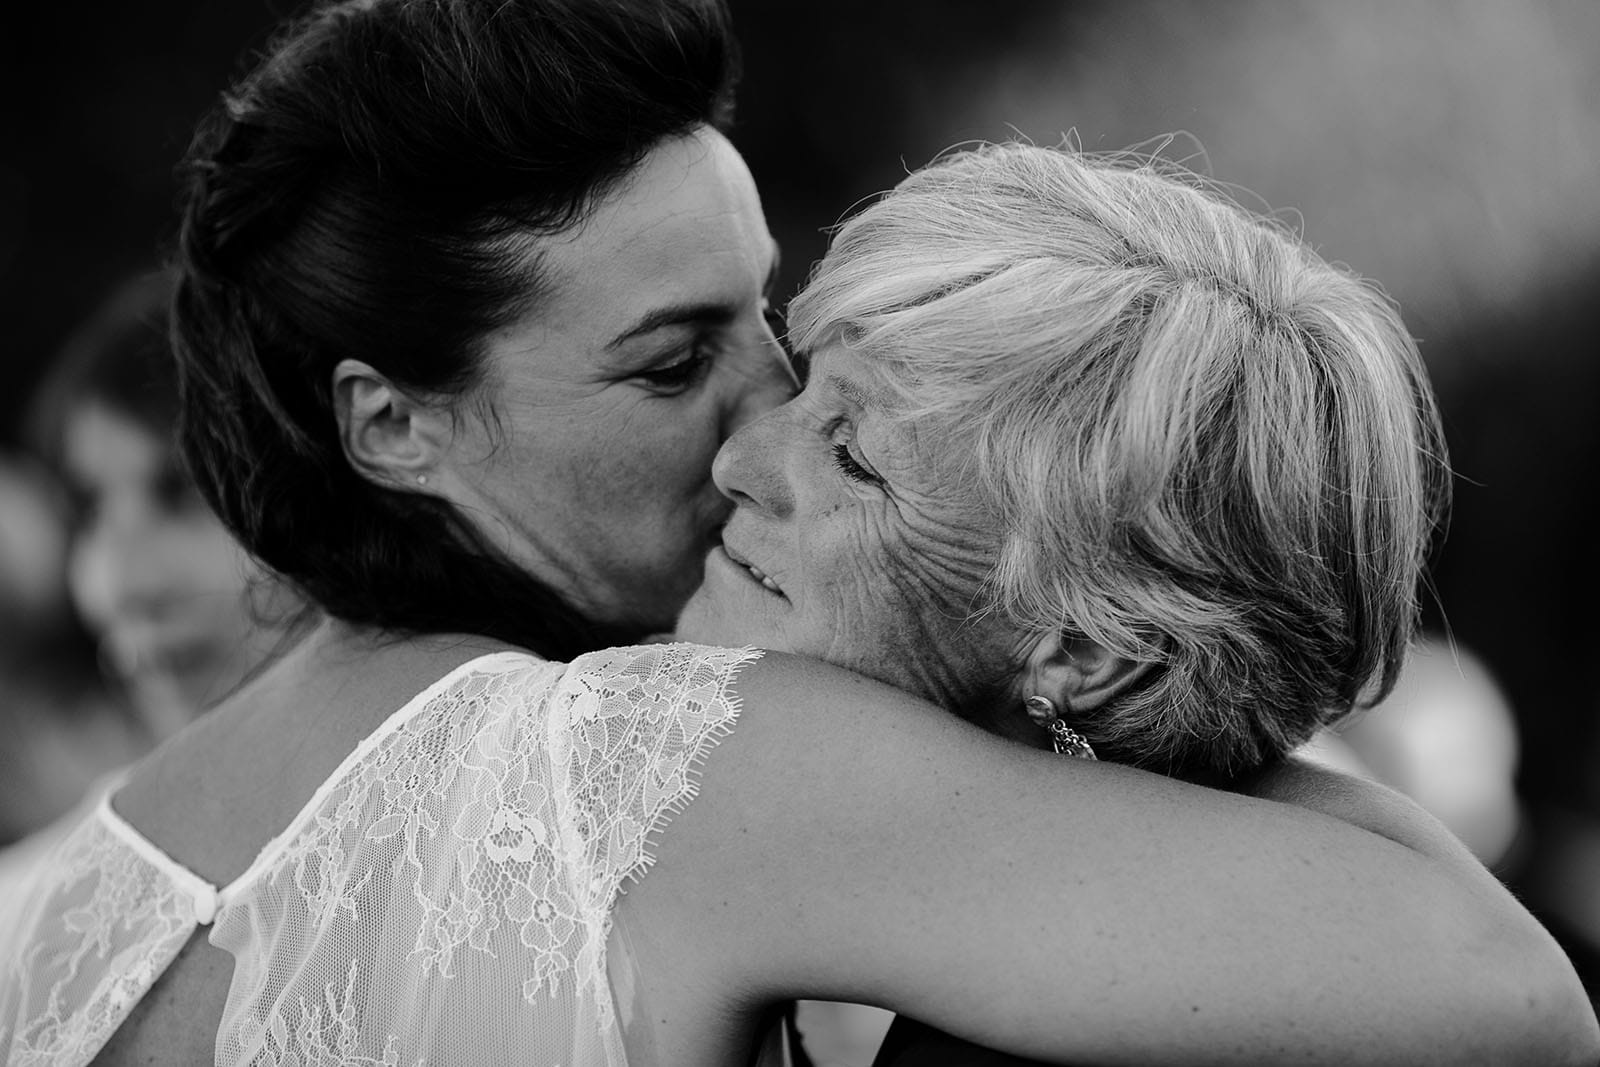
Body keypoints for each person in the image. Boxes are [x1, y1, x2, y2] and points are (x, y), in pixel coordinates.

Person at [1, 2, 1593, 1066]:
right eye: (672, 361)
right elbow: (1505, 988)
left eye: (769, 313)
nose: (756, 414)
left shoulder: (44, 905)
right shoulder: (669, 763)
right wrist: (1111, 685)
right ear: (394, 424)